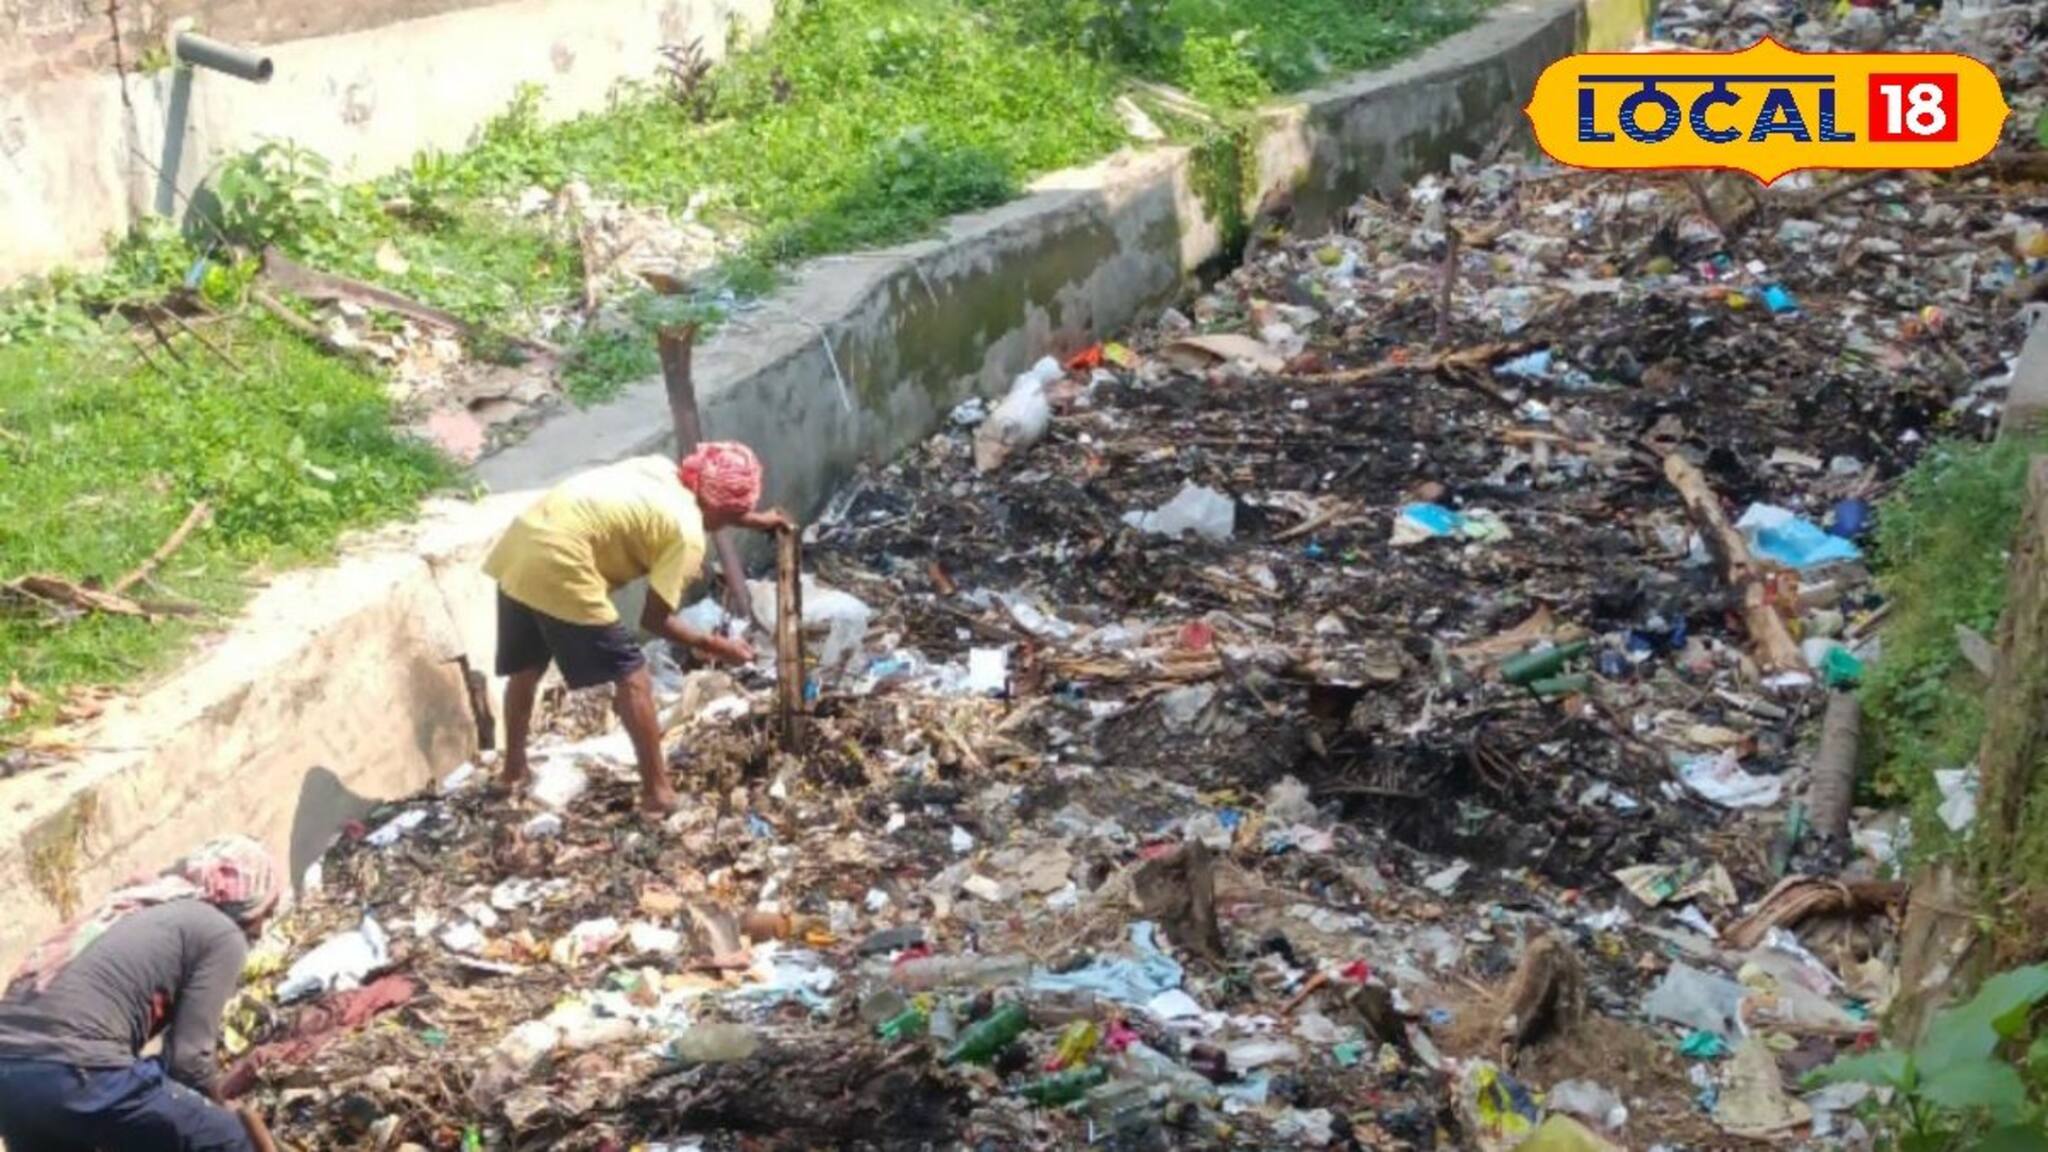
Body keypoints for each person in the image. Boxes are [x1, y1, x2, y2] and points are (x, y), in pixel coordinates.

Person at [483, 441, 792, 813]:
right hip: (562, 562)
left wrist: (753, 519)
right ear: (719, 506)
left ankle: (512, 772)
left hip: (524, 542)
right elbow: (655, 620)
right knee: (633, 677)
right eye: (731, 515)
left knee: (526, 669)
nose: (726, 523)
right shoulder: (686, 537)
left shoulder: (659, 470)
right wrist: (714, 645)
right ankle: (658, 794)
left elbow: (708, 507)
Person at [0, 836, 283, 1152]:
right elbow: (188, 1060)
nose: (260, 930)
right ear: (249, 899)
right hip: (76, 1067)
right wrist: (223, 1109)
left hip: (10, 1075)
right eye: (266, 912)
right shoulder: (221, 933)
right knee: (231, 1140)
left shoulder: (140, 909)